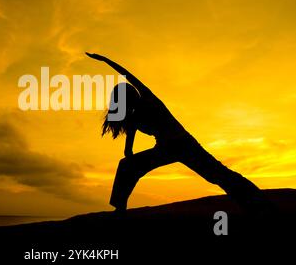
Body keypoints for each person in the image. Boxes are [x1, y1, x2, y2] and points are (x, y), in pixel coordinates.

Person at [86, 52, 272, 214]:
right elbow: (130, 140)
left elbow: (127, 75)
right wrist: (130, 155)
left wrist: (105, 60)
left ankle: (257, 203)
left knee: (218, 175)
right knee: (126, 166)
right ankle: (120, 208)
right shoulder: (133, 116)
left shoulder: (148, 98)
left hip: (184, 144)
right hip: (164, 148)